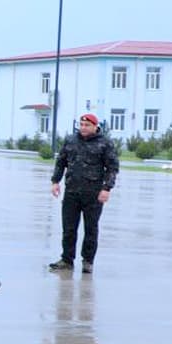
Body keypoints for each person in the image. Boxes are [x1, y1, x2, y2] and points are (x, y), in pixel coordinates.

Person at [48, 112, 119, 274]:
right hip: (72, 192)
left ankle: (88, 261)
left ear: (95, 126)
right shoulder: (71, 141)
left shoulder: (105, 143)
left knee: (91, 229)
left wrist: (106, 188)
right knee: (69, 228)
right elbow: (61, 162)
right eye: (81, 124)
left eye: (87, 125)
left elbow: (112, 168)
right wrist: (55, 182)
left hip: (93, 194)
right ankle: (67, 260)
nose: (83, 128)